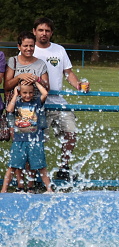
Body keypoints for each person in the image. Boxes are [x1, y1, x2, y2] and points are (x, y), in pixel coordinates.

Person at [32, 17, 87, 181]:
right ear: (34, 31)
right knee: (37, 139)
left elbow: (68, 73)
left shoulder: (59, 50)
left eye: (47, 31)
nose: (44, 33)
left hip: (58, 101)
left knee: (71, 133)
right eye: (41, 30)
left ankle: (64, 168)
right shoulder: (29, 48)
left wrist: (79, 85)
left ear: (52, 33)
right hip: (38, 102)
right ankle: (36, 172)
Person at [1, 80, 53, 193]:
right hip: (19, 140)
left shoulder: (36, 102)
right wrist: (15, 95)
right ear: (20, 92)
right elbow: (9, 109)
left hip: (36, 140)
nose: (28, 95)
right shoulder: (17, 103)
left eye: (30, 92)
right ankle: (4, 189)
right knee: (13, 165)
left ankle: (49, 188)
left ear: (34, 92)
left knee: (40, 166)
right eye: (24, 93)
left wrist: (36, 82)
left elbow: (45, 93)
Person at [4, 32, 49, 101]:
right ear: (19, 47)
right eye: (25, 46)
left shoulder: (41, 64)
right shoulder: (13, 61)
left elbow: (47, 87)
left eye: (31, 46)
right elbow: (6, 86)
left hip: (35, 104)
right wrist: (19, 77)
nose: (29, 48)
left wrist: (37, 80)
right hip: (15, 104)